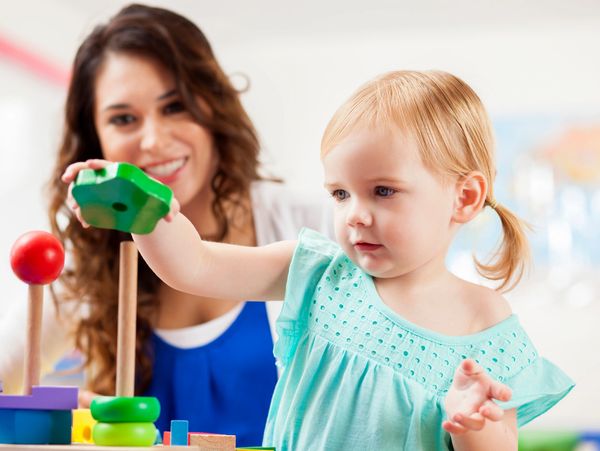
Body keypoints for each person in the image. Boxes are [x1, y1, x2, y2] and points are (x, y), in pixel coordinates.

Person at [63, 70, 574, 450]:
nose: (355, 215)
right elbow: (193, 266)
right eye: (339, 194)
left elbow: (497, 445)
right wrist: (147, 211)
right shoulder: (318, 271)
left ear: (463, 199)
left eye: (383, 191)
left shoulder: (486, 323)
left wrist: (476, 426)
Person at [0, 3, 332, 446]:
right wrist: (57, 414)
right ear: (96, 137)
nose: (153, 141)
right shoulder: (86, 267)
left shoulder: (315, 227)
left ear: (213, 107)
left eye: (175, 106)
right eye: (123, 119)